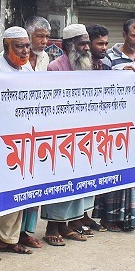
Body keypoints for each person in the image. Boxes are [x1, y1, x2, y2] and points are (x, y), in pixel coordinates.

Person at [0, 25, 38, 253]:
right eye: (20, 46)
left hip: (24, 140)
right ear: (7, 46)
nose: (26, 51)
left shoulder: (27, 69)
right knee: (3, 191)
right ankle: (0, 238)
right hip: (1, 142)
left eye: (27, 46)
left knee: (20, 191)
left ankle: (11, 239)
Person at [41, 24, 97, 242]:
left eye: (86, 43)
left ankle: (68, 225)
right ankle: (52, 228)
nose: (86, 47)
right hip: (61, 134)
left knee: (77, 181)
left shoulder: (87, 65)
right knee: (59, 181)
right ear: (68, 45)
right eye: (82, 43)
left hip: (82, 134)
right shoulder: (55, 67)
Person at [93, 19, 135, 231]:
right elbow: (102, 87)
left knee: (132, 170)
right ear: (124, 35)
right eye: (134, 36)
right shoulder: (109, 58)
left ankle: (129, 216)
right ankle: (108, 217)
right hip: (114, 123)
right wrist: (119, 75)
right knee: (112, 169)